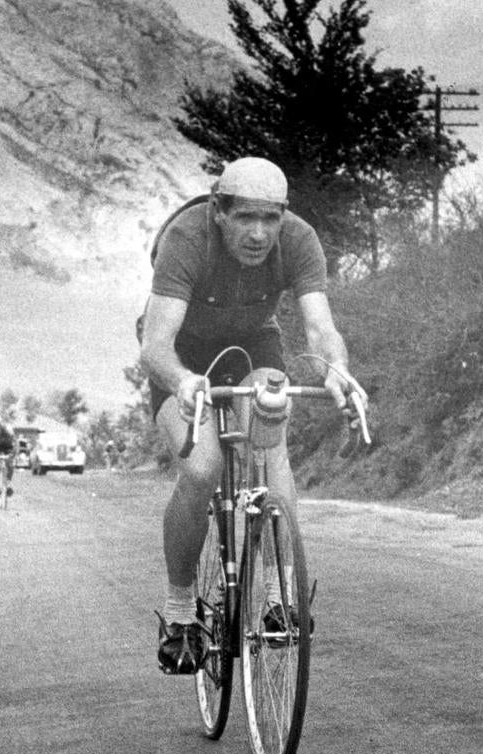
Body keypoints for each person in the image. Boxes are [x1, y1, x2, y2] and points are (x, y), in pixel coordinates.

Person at [139, 157, 367, 674]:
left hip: (252, 343)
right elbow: (155, 345)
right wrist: (181, 381)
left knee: (269, 435)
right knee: (201, 469)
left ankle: (277, 596)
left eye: (271, 218)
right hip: (182, 352)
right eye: (246, 218)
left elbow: (320, 327)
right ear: (219, 210)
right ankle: (180, 613)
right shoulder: (187, 238)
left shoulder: (300, 239)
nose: (260, 233)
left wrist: (336, 369)